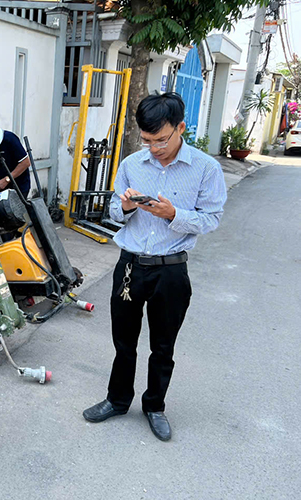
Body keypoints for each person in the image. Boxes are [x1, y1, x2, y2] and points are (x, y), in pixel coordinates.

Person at [82, 92, 227, 441]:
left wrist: (173, 215)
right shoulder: (133, 163)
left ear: (180, 128)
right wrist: (129, 207)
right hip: (131, 266)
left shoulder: (205, 168)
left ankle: (155, 406)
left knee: (163, 346)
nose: (154, 148)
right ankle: (117, 400)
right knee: (124, 342)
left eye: (160, 140)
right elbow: (114, 213)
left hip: (171, 270)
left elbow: (212, 219)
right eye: (147, 140)